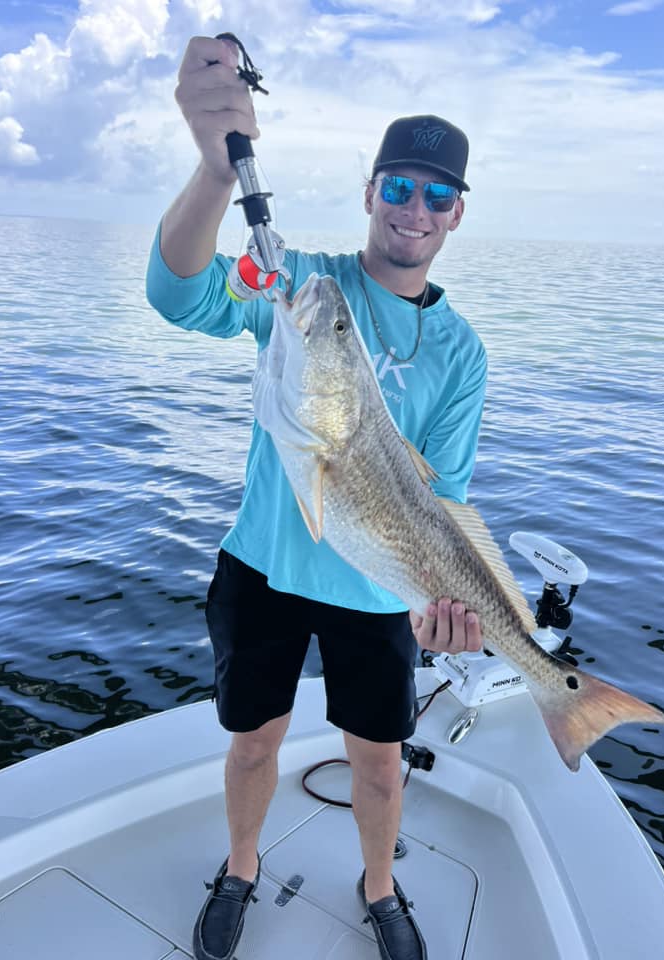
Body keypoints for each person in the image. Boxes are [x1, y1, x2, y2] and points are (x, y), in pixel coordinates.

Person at [146, 35, 486, 960]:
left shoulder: (461, 354)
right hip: (264, 565)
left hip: (381, 591)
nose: (415, 208)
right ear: (371, 190)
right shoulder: (304, 285)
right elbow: (180, 295)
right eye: (400, 185)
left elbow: (442, 502)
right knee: (253, 743)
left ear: (456, 214)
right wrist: (217, 176)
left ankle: (380, 887)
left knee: (377, 764)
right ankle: (243, 867)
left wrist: (442, 604)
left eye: (437, 193)